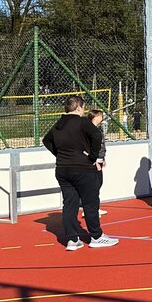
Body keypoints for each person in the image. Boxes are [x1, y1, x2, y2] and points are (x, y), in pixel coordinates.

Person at [41, 96, 118, 251]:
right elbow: (96, 135)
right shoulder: (82, 122)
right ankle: (96, 236)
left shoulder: (59, 124)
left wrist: (60, 154)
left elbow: (46, 140)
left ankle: (72, 239)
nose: (83, 111)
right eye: (82, 108)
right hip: (82, 169)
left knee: (69, 204)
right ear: (78, 108)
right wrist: (92, 156)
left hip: (63, 169)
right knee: (90, 202)